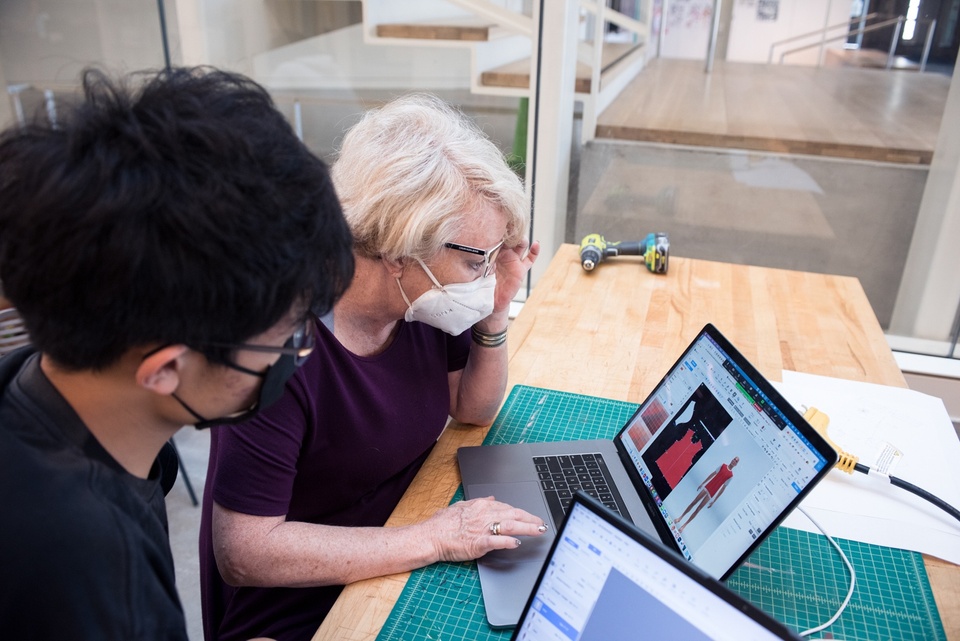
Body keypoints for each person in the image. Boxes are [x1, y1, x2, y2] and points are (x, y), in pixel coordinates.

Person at [0, 66, 355, 639]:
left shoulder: (33, 389)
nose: (295, 355)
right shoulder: (91, 570)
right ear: (165, 369)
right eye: (287, 336)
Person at [200, 94, 546, 641]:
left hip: (402, 524)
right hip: (303, 595)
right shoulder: (277, 342)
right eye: (476, 258)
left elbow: (473, 410)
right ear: (399, 249)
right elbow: (245, 551)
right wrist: (433, 538)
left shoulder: (421, 305)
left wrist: (495, 306)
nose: (485, 272)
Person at [675, 457, 740, 533]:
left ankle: (684, 525)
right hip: (708, 486)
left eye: (736, 461)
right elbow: (713, 474)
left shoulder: (731, 476)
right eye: (734, 459)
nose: (734, 461)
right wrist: (703, 483)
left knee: (698, 509)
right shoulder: (723, 465)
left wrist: (714, 501)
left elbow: (723, 488)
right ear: (731, 459)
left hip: (712, 492)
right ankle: (680, 517)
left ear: (736, 464)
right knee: (694, 502)